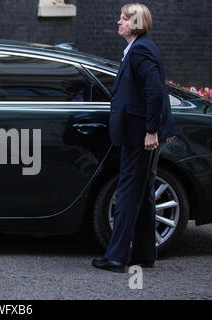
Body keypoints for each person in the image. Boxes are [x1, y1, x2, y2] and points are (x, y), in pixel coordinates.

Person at [92, 3, 176, 272]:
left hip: (139, 135)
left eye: (124, 19)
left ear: (136, 23)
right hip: (140, 133)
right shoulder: (140, 48)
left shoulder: (140, 50)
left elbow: (154, 91)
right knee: (143, 193)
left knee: (128, 193)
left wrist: (152, 130)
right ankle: (144, 253)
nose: (119, 22)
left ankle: (116, 257)